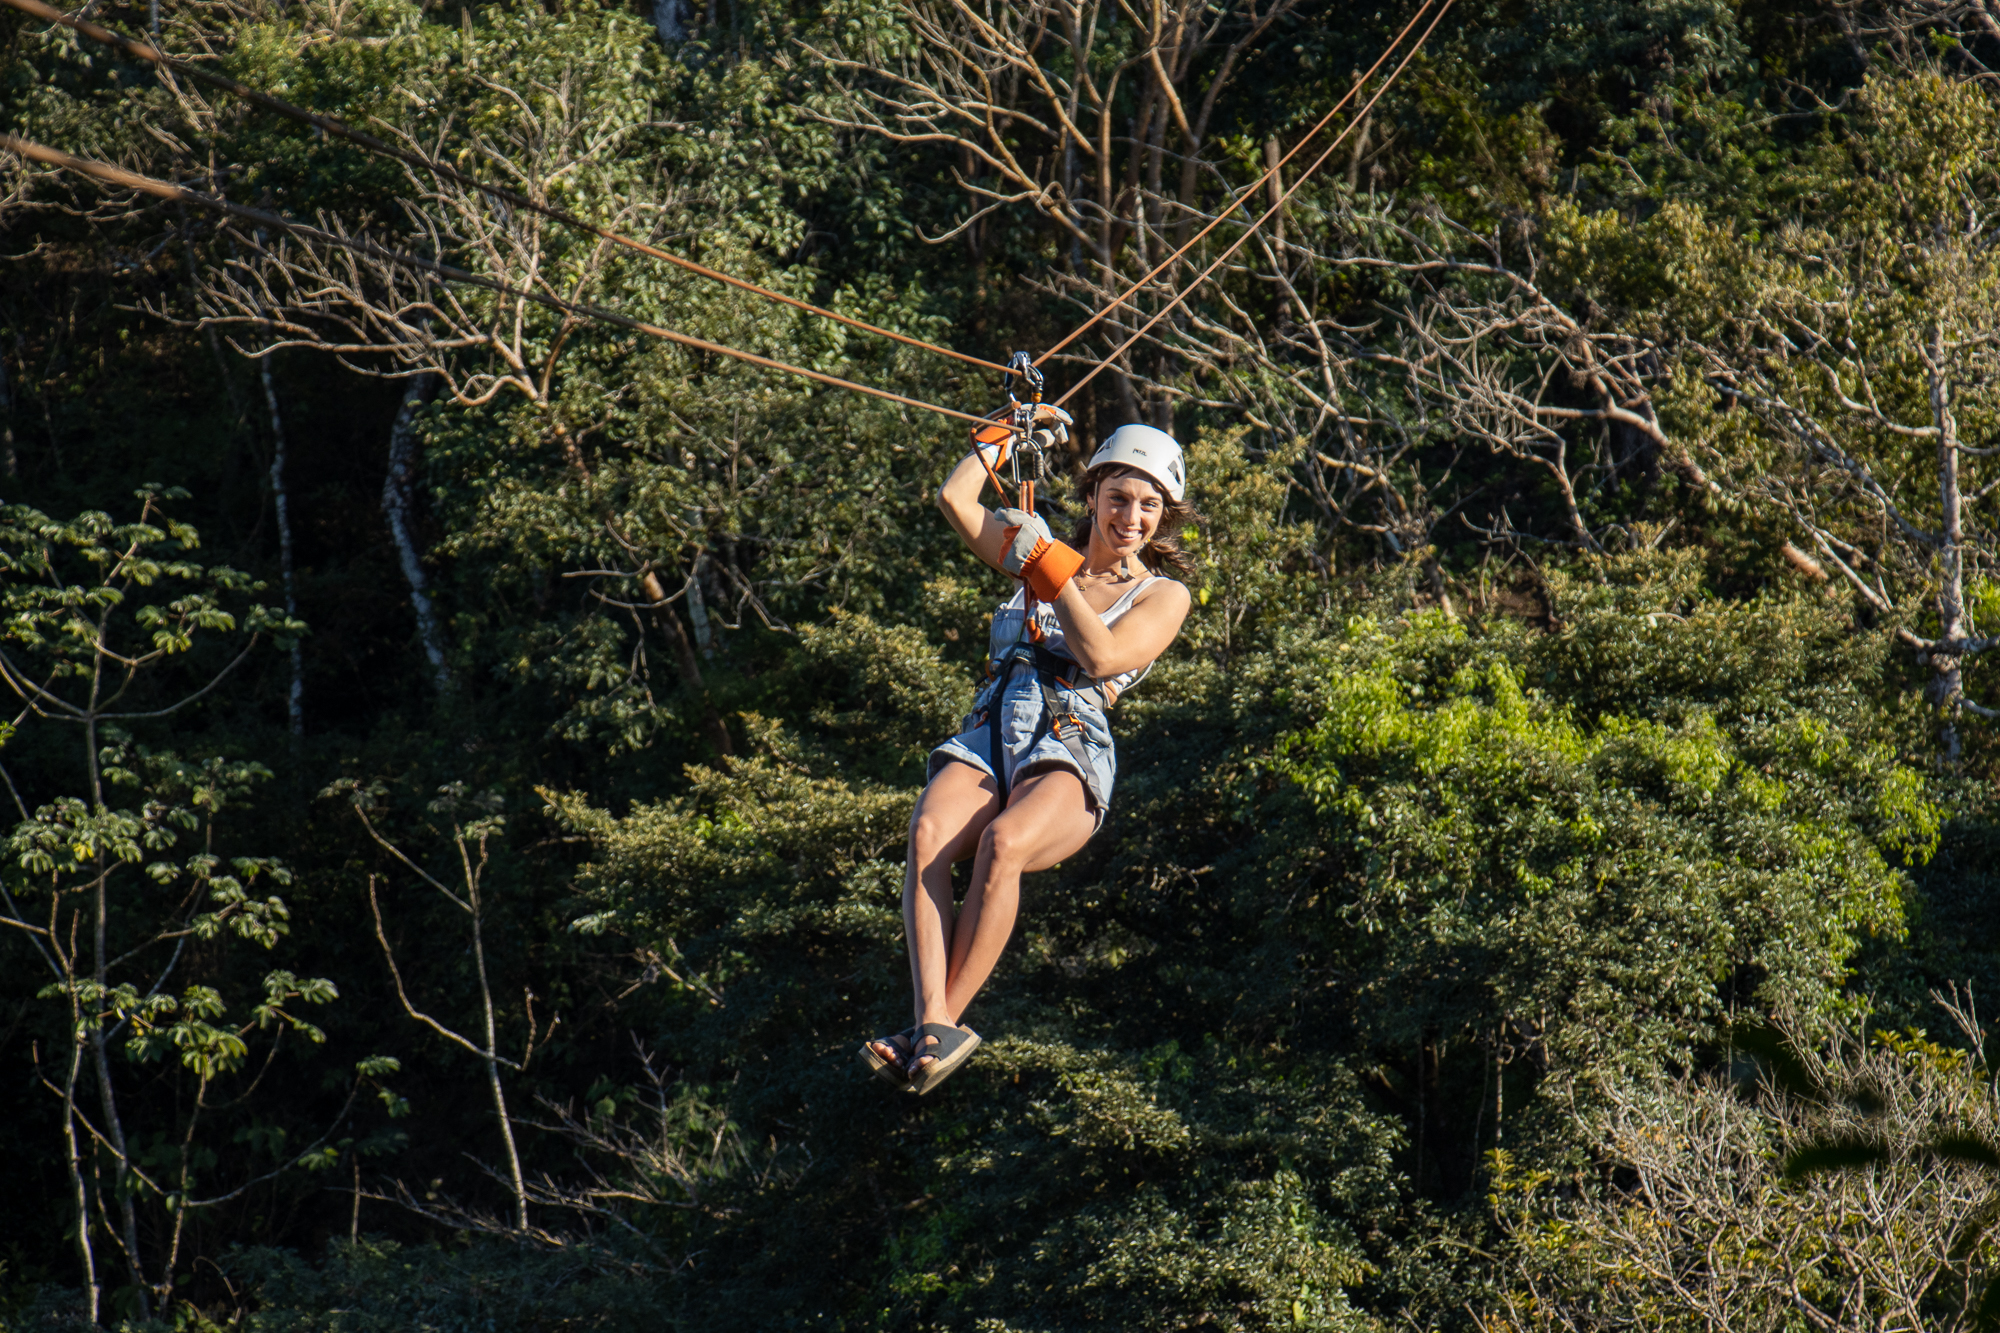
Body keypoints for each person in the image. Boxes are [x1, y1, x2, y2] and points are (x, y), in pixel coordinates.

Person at [859, 412, 1197, 1093]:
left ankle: (936, 1024)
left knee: (1005, 843)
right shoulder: (1039, 549)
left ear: (1164, 517)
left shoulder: (1163, 594)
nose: (1132, 517)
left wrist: (1047, 564)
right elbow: (956, 501)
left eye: (1149, 505)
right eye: (1119, 498)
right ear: (1094, 493)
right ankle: (933, 1021)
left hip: (1069, 735)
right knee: (927, 832)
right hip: (993, 723)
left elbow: (1100, 655)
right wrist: (1002, 438)